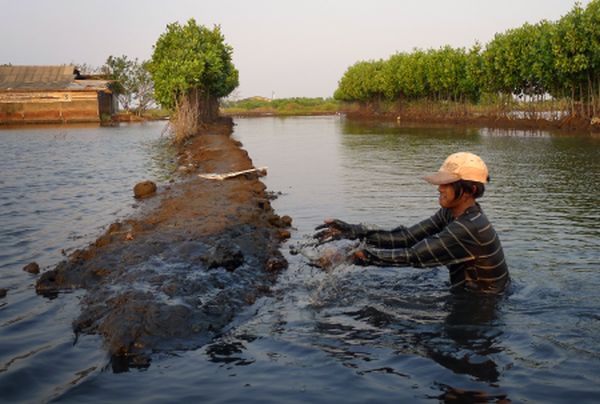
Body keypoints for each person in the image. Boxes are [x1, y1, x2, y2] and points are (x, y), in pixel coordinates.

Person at [314, 152, 510, 294]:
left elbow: (414, 256)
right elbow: (407, 237)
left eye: (447, 184)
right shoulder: (451, 214)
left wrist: (354, 257)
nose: (439, 188)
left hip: (483, 306)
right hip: (466, 295)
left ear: (470, 191)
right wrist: (354, 231)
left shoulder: (469, 227)